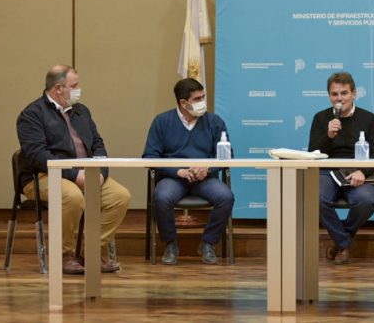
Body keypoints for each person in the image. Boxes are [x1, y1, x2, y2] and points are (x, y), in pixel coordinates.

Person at [16, 65, 131, 274]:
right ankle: (64, 255)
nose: (79, 89)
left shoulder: (81, 111)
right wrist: (73, 175)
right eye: (75, 85)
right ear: (59, 88)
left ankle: (92, 254)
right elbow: (37, 155)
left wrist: (101, 172)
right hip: (42, 176)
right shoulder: (32, 114)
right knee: (72, 196)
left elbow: (98, 143)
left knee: (120, 196)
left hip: (85, 173)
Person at [142, 78, 235, 265]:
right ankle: (170, 244)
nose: (202, 102)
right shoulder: (162, 121)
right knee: (161, 198)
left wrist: (207, 167)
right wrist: (178, 171)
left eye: (203, 97)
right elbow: (149, 157)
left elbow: (227, 155)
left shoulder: (214, 121)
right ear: (183, 103)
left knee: (226, 197)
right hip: (174, 178)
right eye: (197, 99)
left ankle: (208, 243)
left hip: (204, 178)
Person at [308, 72, 374, 265]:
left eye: (344, 93)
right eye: (334, 94)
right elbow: (313, 152)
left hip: (358, 170)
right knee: (315, 197)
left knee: (365, 200)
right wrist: (328, 135)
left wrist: (362, 171)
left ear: (354, 94)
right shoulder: (321, 118)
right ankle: (345, 242)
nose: (339, 98)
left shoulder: (369, 118)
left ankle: (340, 241)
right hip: (328, 170)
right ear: (329, 96)